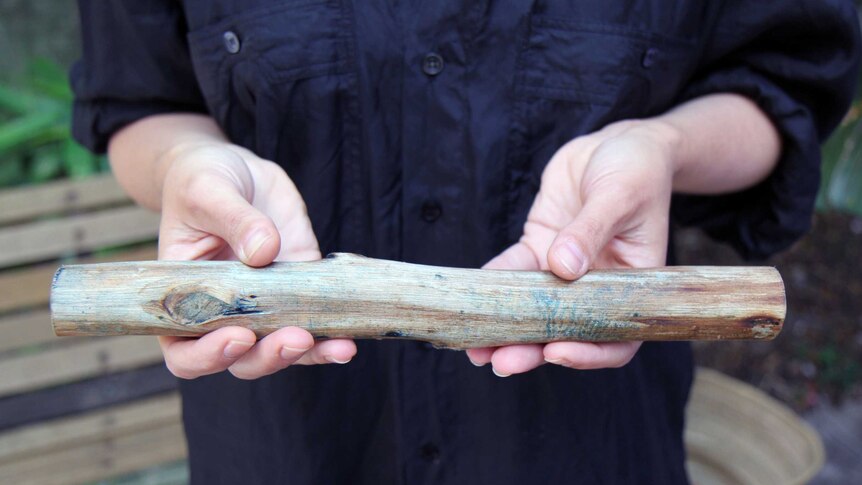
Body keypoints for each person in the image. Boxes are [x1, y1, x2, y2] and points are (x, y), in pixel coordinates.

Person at [72, 1, 860, 483]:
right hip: (289, 441)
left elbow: (779, 85)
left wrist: (662, 145)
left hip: (586, 447)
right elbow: (140, 99)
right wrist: (186, 161)